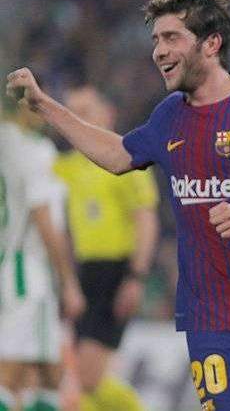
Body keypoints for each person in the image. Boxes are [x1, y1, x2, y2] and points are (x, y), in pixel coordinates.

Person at [7, 0, 230, 411]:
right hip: (212, 324)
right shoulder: (170, 117)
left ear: (211, 43)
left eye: (171, 38)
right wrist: (42, 104)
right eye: (155, 40)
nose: (158, 51)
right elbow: (118, 154)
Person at [52, 85, 159, 411]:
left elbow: (146, 220)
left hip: (116, 272)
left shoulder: (125, 159)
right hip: (82, 274)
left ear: (108, 114)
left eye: (85, 112)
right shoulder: (65, 167)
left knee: (87, 378)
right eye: (71, 113)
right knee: (80, 379)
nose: (76, 120)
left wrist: (135, 277)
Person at [0, 98, 85, 411]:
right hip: (27, 274)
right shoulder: (33, 149)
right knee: (10, 375)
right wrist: (69, 281)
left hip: (12, 268)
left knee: (50, 373)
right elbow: (44, 218)